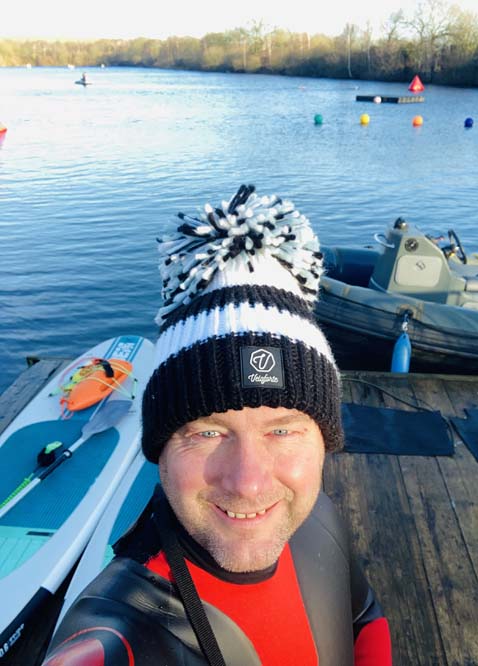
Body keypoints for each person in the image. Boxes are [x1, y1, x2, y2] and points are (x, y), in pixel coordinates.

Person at [43, 185, 392, 665]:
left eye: (283, 430)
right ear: (160, 448)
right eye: (207, 432)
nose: (249, 483)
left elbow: (363, 617)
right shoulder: (118, 632)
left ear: (323, 441)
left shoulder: (316, 519)